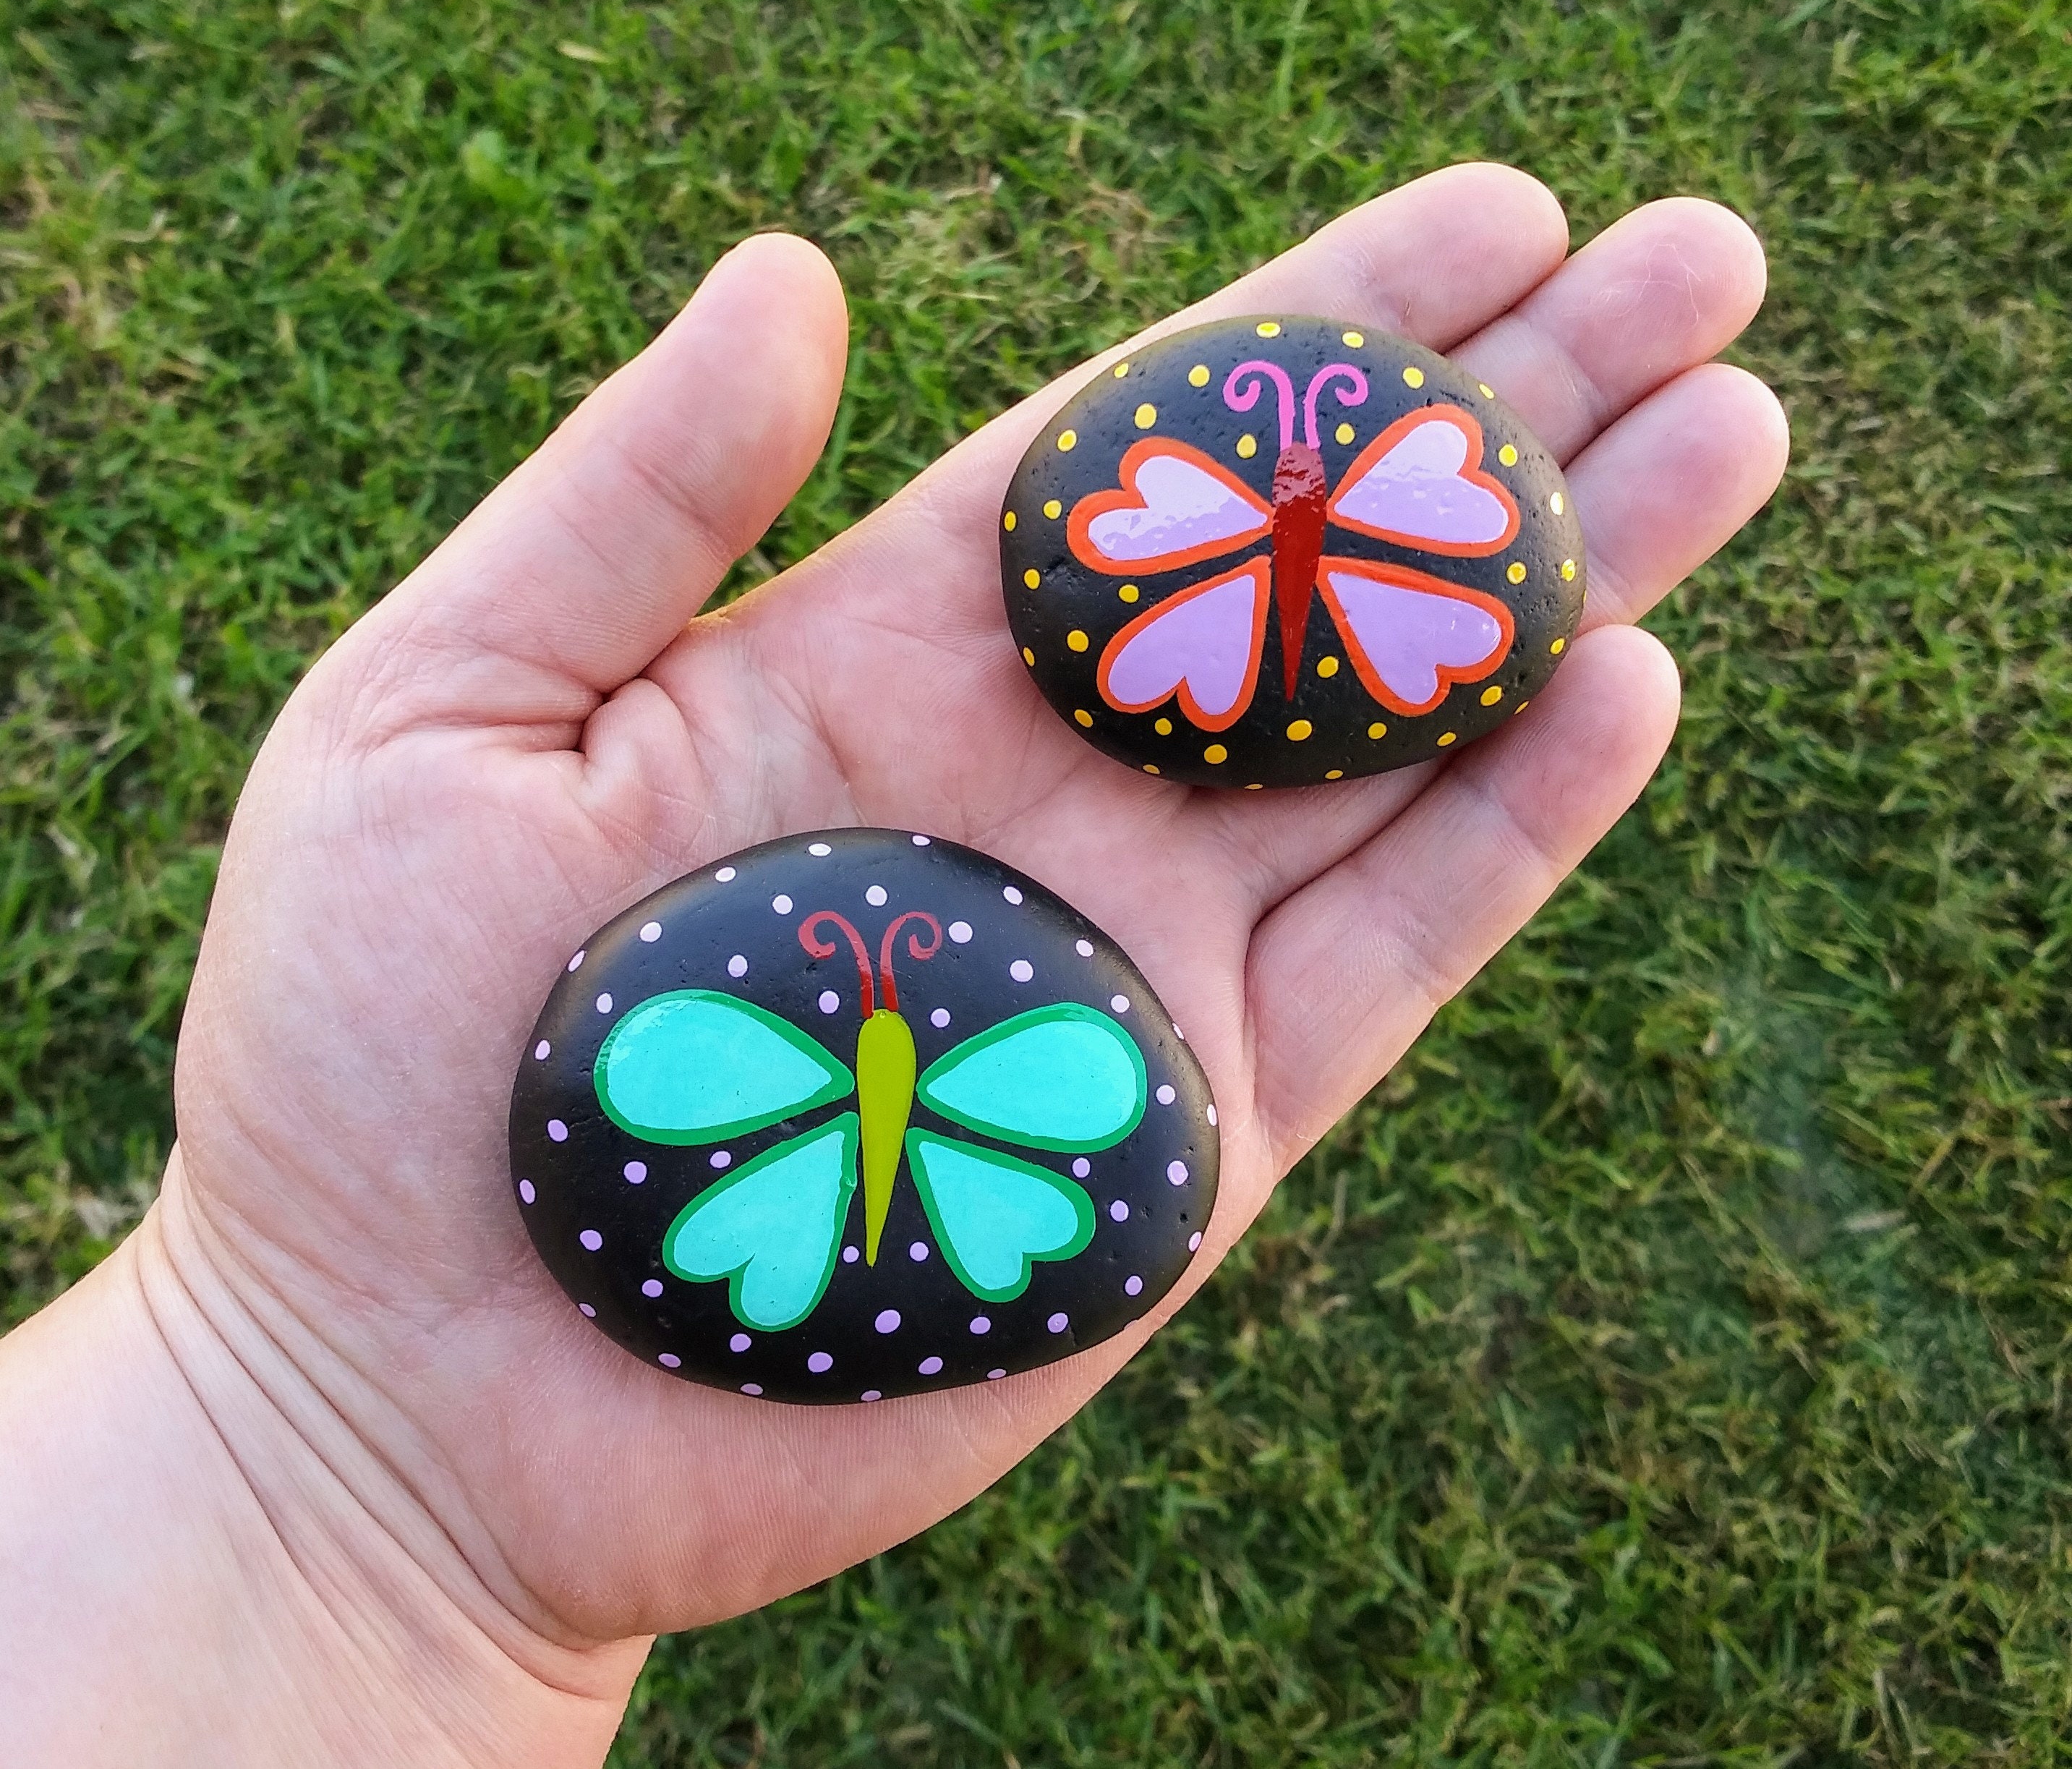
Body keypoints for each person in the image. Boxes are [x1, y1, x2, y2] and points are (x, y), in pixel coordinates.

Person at [0, 164, 1787, 1765]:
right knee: (1008, 1173)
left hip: (815, 1142)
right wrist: (299, 1405)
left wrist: (280, 1419)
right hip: (966, 1103)